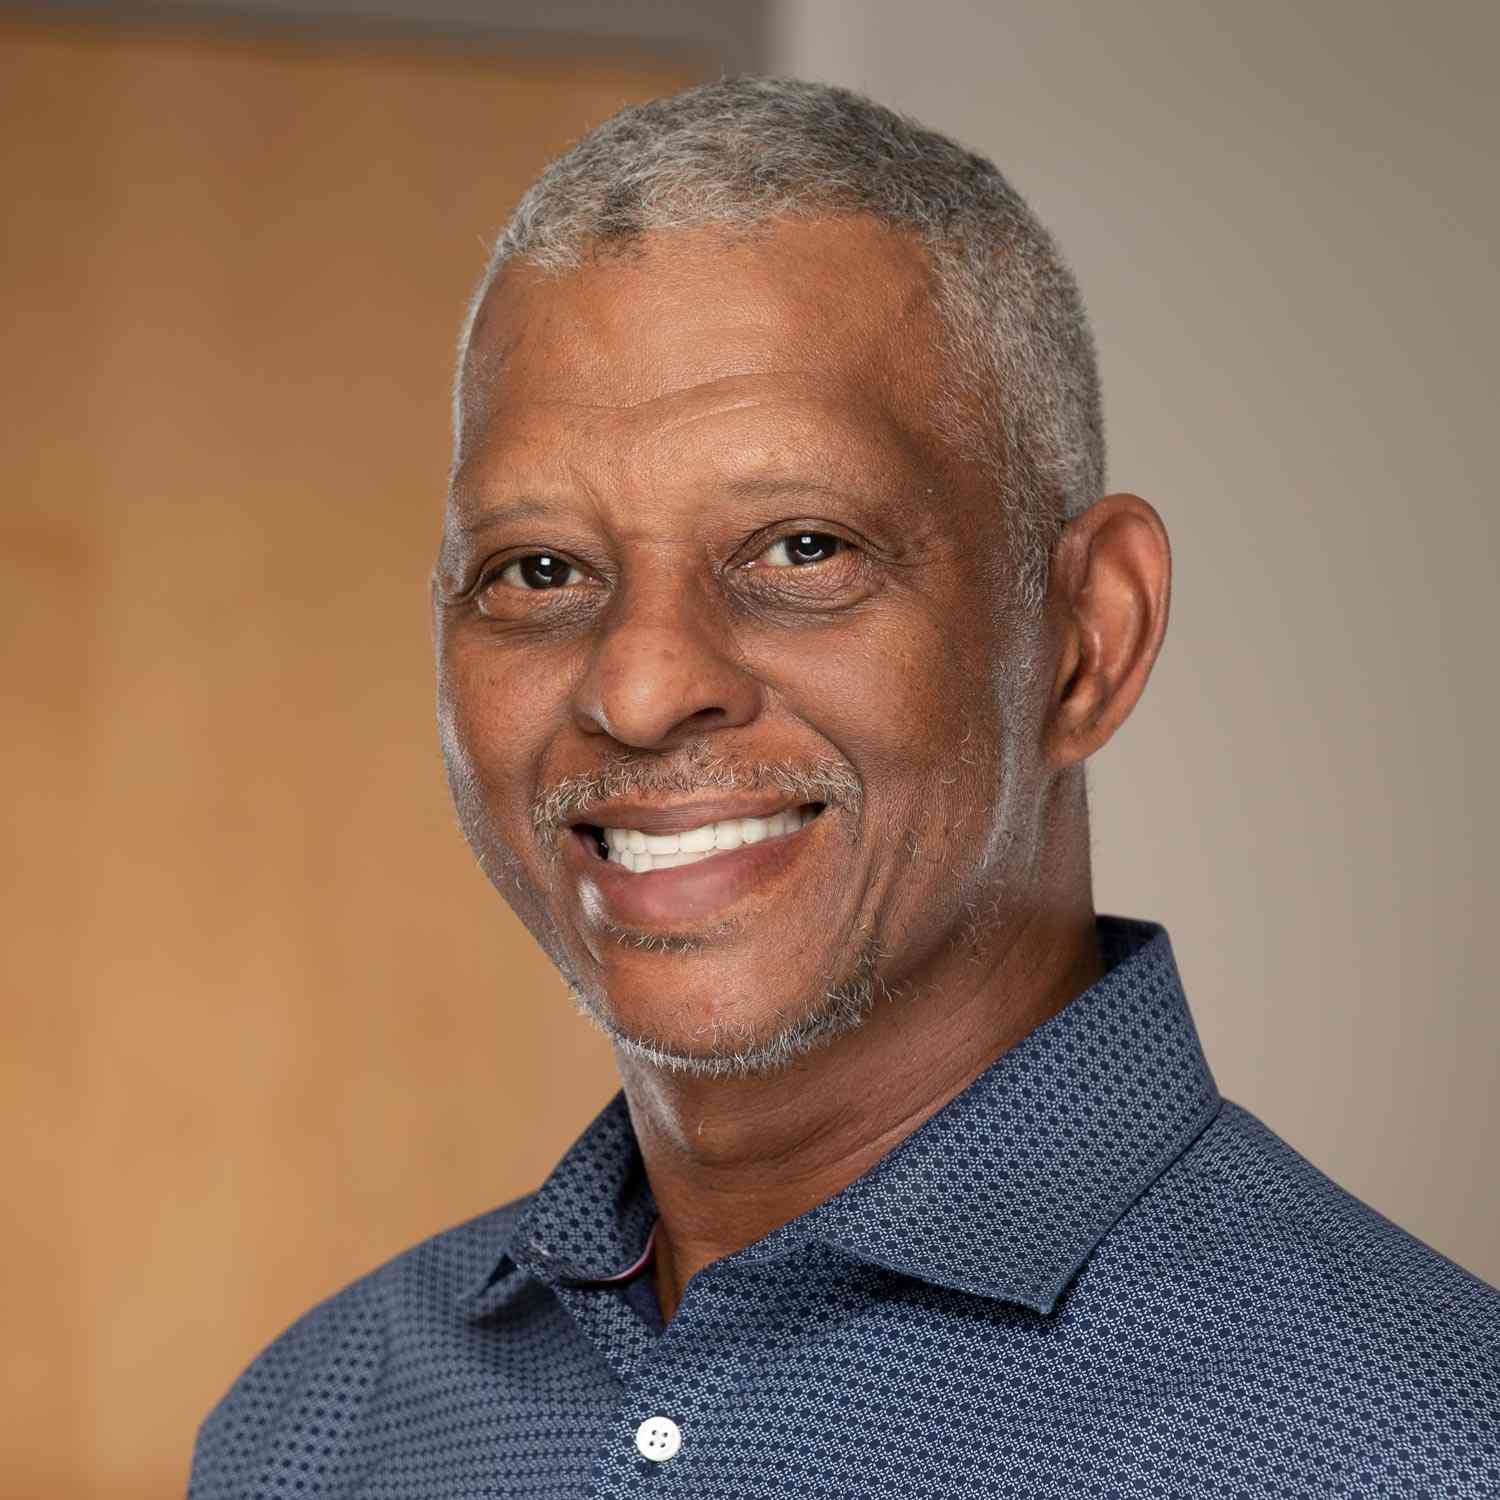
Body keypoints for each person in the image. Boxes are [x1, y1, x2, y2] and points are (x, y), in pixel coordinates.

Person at [189, 78, 1499, 1498]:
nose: (640, 687)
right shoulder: (313, 1431)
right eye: (540, 570)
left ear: (1086, 638)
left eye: (803, 548)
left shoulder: (1416, 1447)